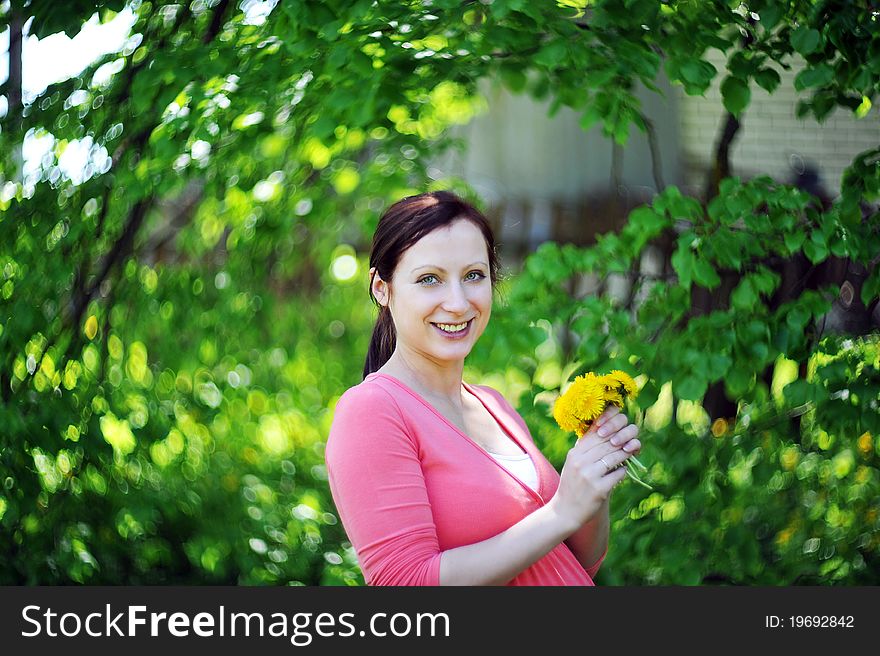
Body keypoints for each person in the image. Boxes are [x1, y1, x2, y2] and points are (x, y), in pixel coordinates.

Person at [325, 190, 641, 585]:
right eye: (430, 279)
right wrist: (561, 511)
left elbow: (575, 561)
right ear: (381, 288)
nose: (458, 303)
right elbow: (405, 584)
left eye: (473, 275)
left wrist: (591, 483)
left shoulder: (493, 406)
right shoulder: (372, 410)